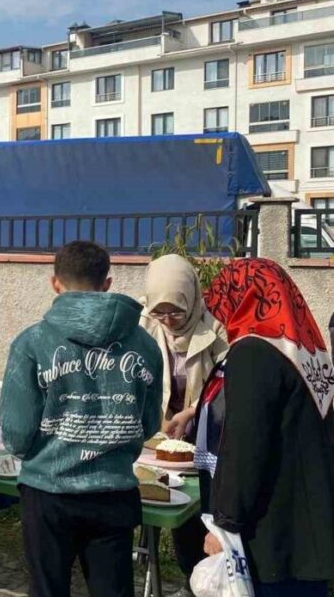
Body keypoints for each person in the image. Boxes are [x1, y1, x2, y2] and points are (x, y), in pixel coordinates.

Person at [0, 241, 162, 597]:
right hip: (115, 492)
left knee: (48, 589)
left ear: (54, 283)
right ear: (107, 283)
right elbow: (150, 424)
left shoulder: (31, 343)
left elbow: (16, 434)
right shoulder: (145, 346)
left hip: (48, 491)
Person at [197, 259, 334, 597]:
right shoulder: (306, 350)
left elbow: (245, 446)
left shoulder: (253, 352)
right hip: (310, 534)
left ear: (243, 298)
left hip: (272, 538)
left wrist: (225, 525)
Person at [138, 254, 229, 592]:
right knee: (152, 500)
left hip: (200, 436)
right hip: (155, 436)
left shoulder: (214, 329)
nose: (169, 319)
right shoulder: (142, 324)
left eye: (176, 310)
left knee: (190, 513)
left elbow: (222, 385)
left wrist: (189, 413)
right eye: (160, 311)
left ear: (191, 298)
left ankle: (196, 579)